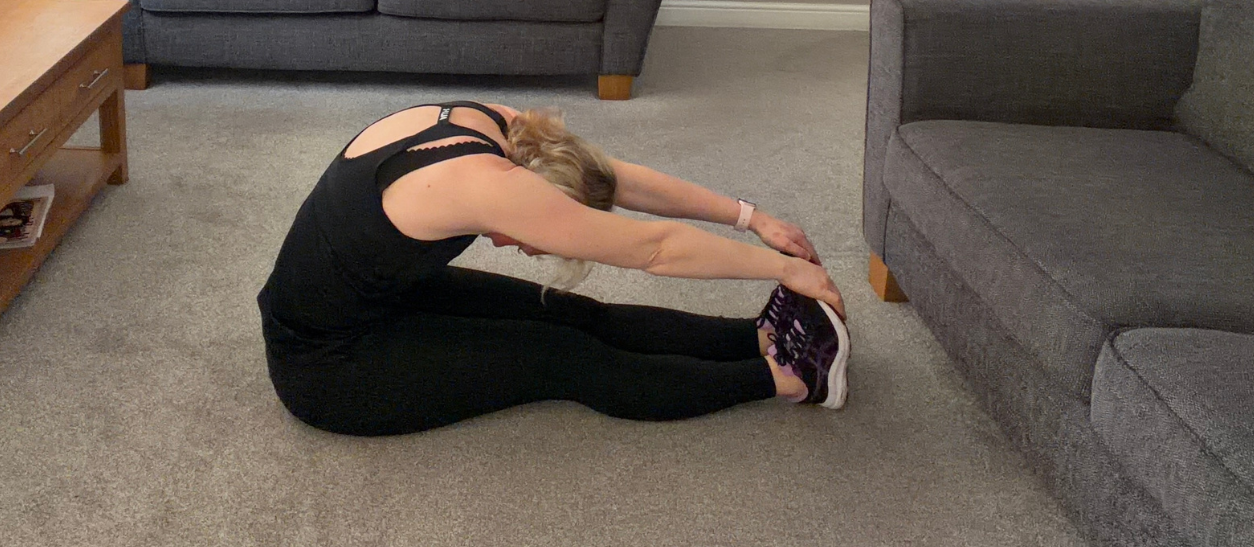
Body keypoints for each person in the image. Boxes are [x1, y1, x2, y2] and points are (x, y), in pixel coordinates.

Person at [257, 100, 850, 436]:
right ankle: (787, 380)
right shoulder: (491, 186)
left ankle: (753, 338)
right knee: (569, 358)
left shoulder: (493, 125)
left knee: (576, 314)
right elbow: (656, 250)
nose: (523, 249)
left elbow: (615, 180)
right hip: (325, 365)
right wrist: (784, 270)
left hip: (386, 294)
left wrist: (750, 218)